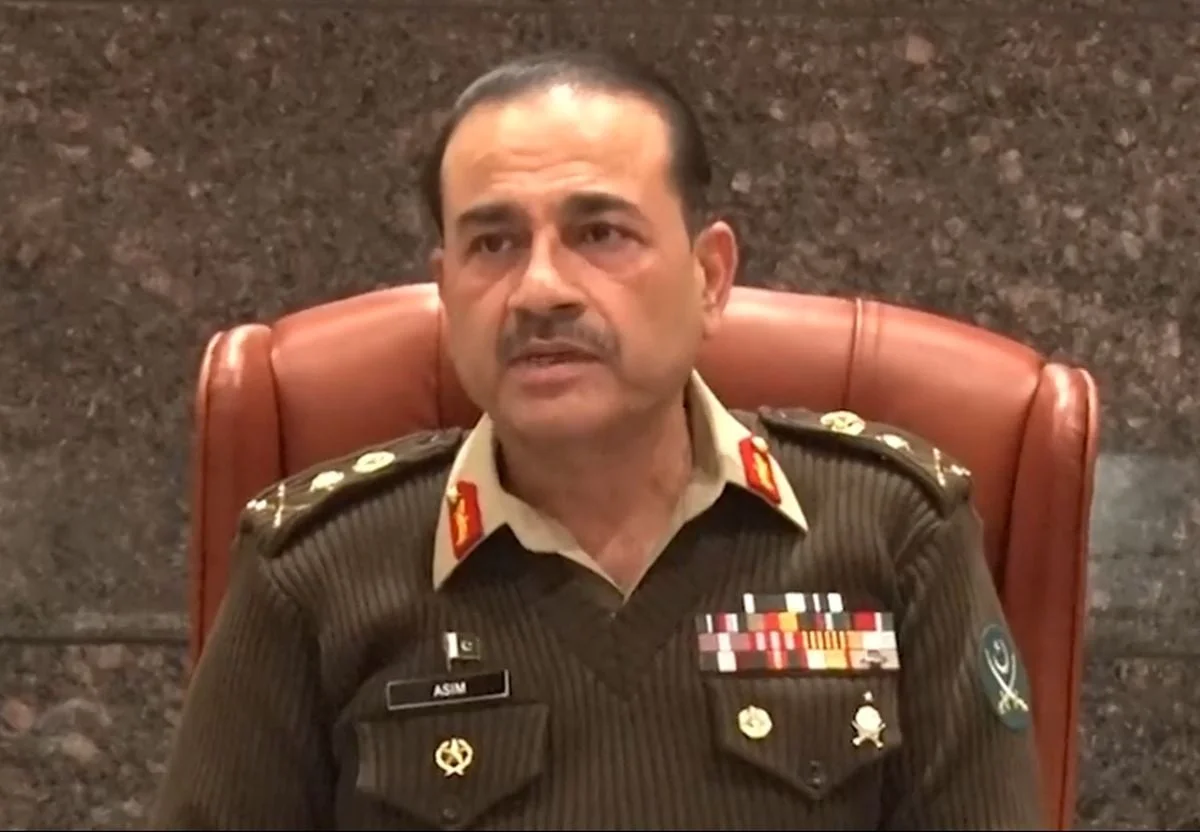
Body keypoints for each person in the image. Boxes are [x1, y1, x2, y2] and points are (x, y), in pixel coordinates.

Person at [153, 50, 1044, 830]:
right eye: (493, 244)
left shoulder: (892, 532)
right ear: (447, 289)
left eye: (601, 233)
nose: (541, 289)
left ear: (710, 277)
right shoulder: (315, 570)